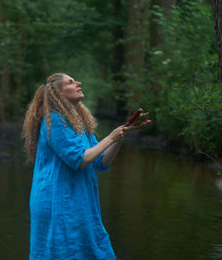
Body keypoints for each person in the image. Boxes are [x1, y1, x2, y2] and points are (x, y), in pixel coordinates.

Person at [22, 73, 151, 259]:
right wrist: (111, 137)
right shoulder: (54, 121)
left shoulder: (79, 121)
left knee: (92, 249)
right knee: (62, 252)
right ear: (58, 93)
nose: (78, 83)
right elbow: (80, 159)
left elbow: (101, 160)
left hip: (79, 199)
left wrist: (121, 136)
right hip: (56, 200)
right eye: (70, 82)